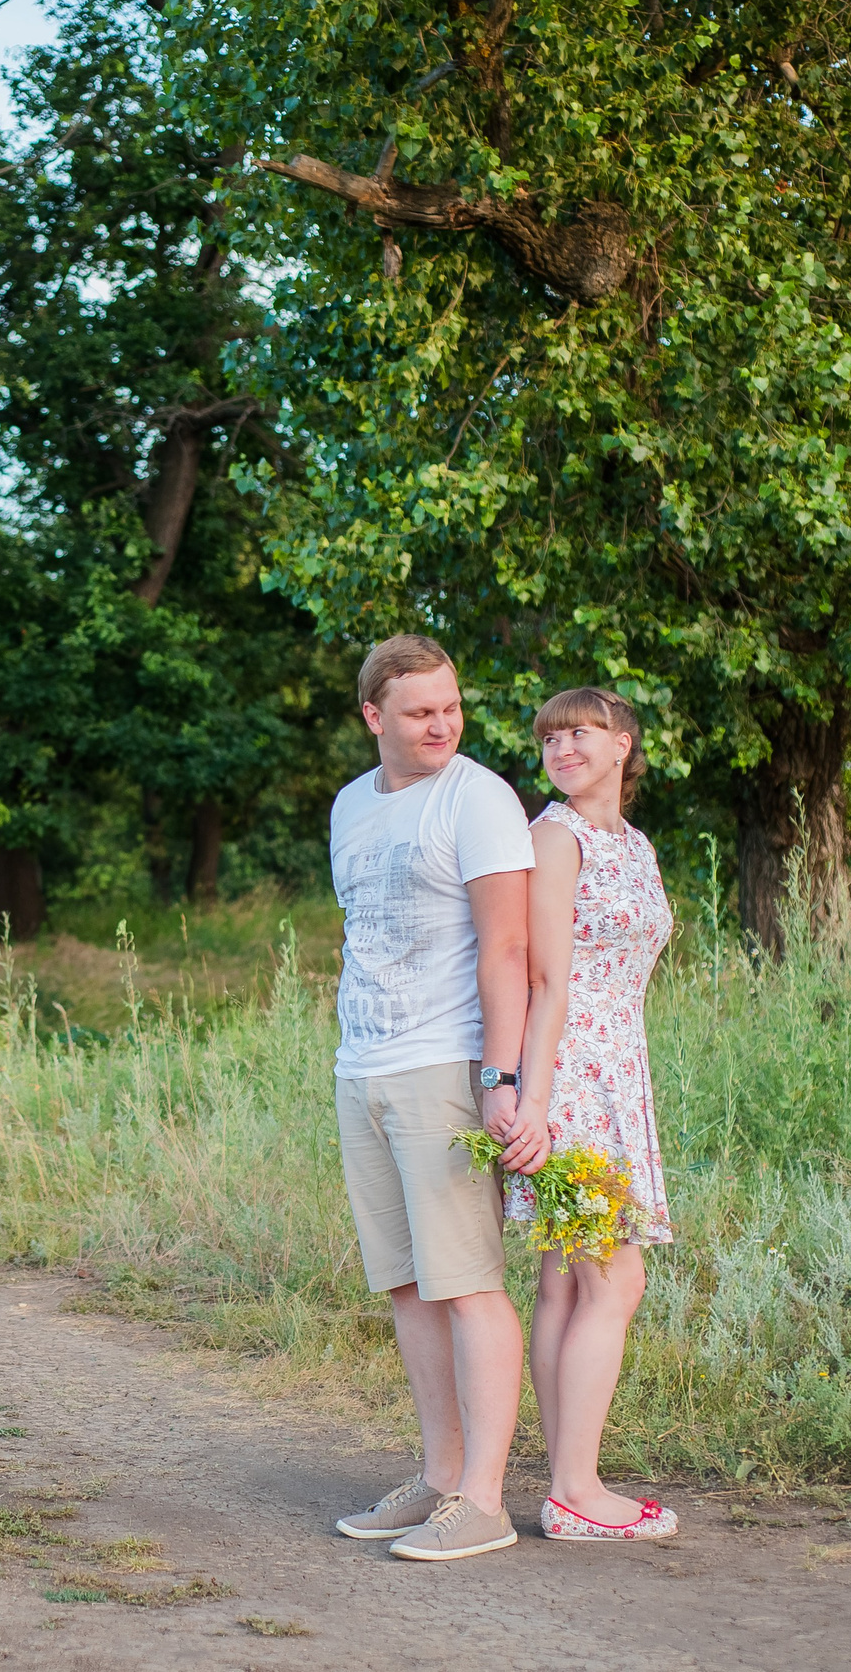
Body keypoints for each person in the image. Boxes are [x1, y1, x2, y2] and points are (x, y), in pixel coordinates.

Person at [327, 634, 546, 1562]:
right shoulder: (349, 804)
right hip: (362, 1065)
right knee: (407, 1282)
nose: (443, 724)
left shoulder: (481, 797)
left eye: (451, 706)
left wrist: (502, 1079)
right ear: (374, 716)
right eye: (420, 712)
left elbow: (508, 952)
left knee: (468, 1281)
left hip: (446, 1063)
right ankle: (440, 1476)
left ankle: (486, 1499)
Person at [511, 686, 681, 1542]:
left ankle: (566, 1480)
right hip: (573, 1077)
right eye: (549, 736)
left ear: (622, 745)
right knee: (614, 1280)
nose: (560, 747)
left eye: (578, 732)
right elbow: (543, 977)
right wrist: (531, 1100)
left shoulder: (635, 845)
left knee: (568, 1285)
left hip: (620, 1075)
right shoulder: (554, 836)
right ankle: (577, 1490)